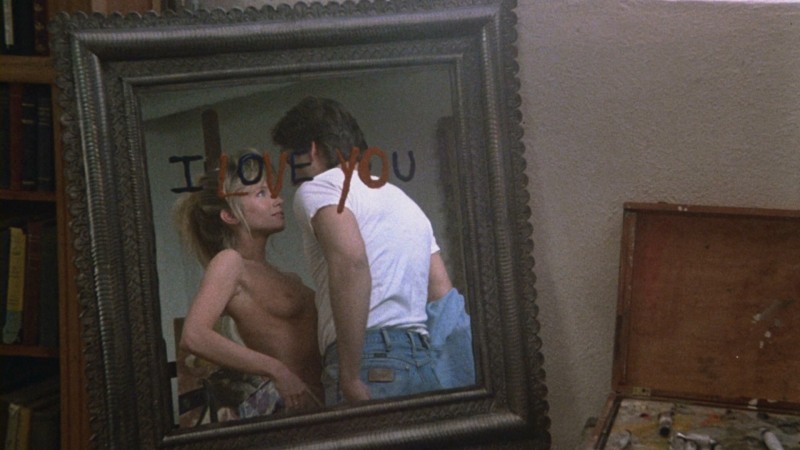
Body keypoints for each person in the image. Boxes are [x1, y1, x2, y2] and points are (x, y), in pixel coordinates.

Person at [272, 96, 456, 405]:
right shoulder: (403, 200)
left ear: (311, 149)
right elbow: (441, 293)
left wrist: (349, 374)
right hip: (424, 362)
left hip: (368, 360)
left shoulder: (321, 188)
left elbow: (351, 263)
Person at [174, 150, 323, 416]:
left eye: (273, 192)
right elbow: (194, 336)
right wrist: (276, 370)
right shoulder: (230, 262)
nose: (278, 200)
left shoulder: (288, 277)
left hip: (321, 402)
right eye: (261, 194)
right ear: (230, 216)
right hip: (287, 410)